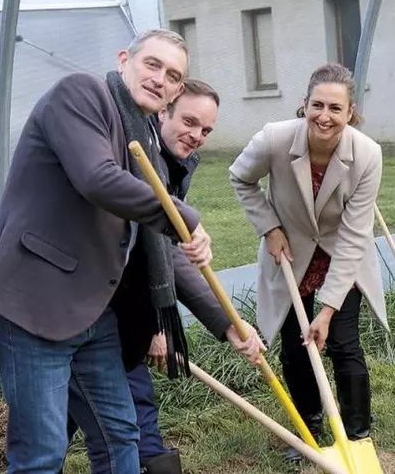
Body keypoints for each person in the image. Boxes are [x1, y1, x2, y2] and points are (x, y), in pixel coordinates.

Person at [0, 29, 260, 474]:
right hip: (32, 304)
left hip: (91, 314)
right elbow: (97, 179)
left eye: (173, 75)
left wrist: (225, 324)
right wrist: (185, 219)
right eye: (152, 65)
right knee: (40, 456)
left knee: (120, 435)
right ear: (125, 60)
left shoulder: (149, 144)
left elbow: (161, 248)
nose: (161, 79)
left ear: (178, 89)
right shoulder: (83, 96)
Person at [66, 78, 265, 474]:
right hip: (78, 306)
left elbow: (161, 253)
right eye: (189, 122)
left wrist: (228, 324)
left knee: (118, 420)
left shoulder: (175, 163)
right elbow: (145, 249)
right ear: (163, 112)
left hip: (120, 311)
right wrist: (160, 325)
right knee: (79, 425)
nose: (197, 136)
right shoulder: (133, 158)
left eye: (206, 130)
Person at [229, 63, 390, 461]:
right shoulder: (274, 139)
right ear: (304, 105)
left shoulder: (367, 155)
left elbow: (355, 235)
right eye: (317, 105)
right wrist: (269, 227)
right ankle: (309, 429)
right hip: (290, 255)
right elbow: (240, 178)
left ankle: (357, 436)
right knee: (296, 347)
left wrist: (329, 308)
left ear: (351, 112)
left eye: (336, 108)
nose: (325, 115)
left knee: (343, 342)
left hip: (342, 254)